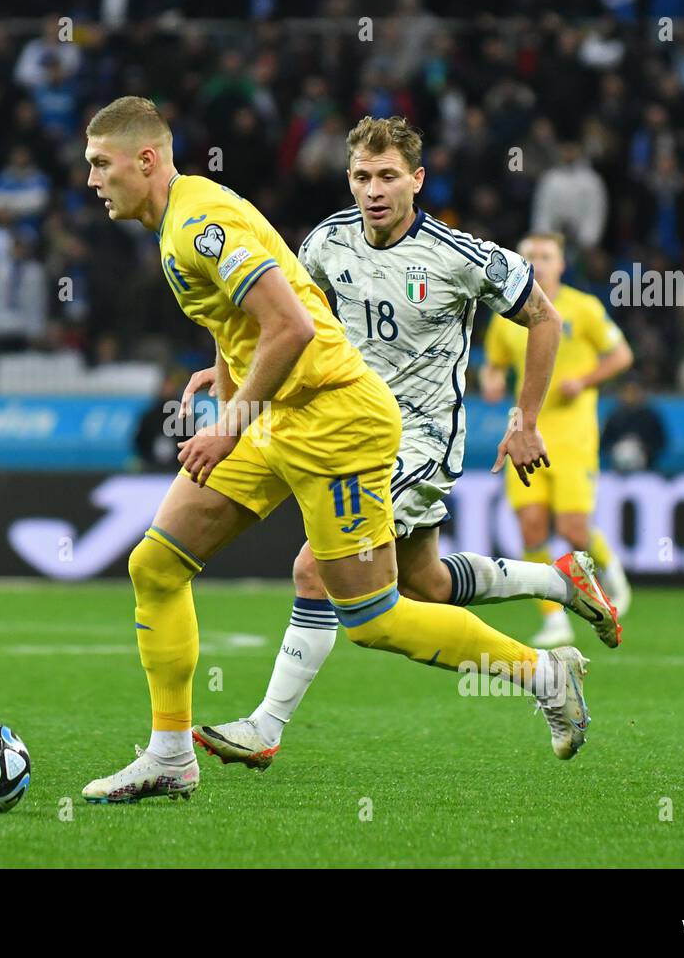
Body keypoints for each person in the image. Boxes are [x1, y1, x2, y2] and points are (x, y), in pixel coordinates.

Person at [80, 98, 592, 805]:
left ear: (145, 161)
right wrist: (229, 386)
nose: (91, 179)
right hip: (280, 416)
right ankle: (171, 754)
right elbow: (246, 318)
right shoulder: (187, 223)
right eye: (361, 176)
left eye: (100, 164)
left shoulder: (199, 223)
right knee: (157, 563)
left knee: (376, 617)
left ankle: (544, 673)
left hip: (339, 422)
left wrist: (230, 422)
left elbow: (288, 328)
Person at [194, 116, 621, 771]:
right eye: (362, 176)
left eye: (388, 176)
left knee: (316, 565)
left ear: (417, 180)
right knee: (425, 584)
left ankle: (265, 725)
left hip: (419, 438)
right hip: (347, 428)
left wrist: (525, 418)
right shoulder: (326, 243)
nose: (374, 189)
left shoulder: (460, 255)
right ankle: (559, 582)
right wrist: (232, 376)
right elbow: (265, 312)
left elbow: (545, 315)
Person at [482, 232, 634, 645]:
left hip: (574, 438)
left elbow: (622, 355)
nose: (539, 262)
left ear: (562, 264)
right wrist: (491, 379)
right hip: (524, 433)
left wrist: (583, 380)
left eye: (547, 256)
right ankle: (555, 619)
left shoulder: (583, 309)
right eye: (530, 255)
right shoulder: (506, 316)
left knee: (573, 529)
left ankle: (613, 573)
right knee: (531, 527)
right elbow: (493, 365)